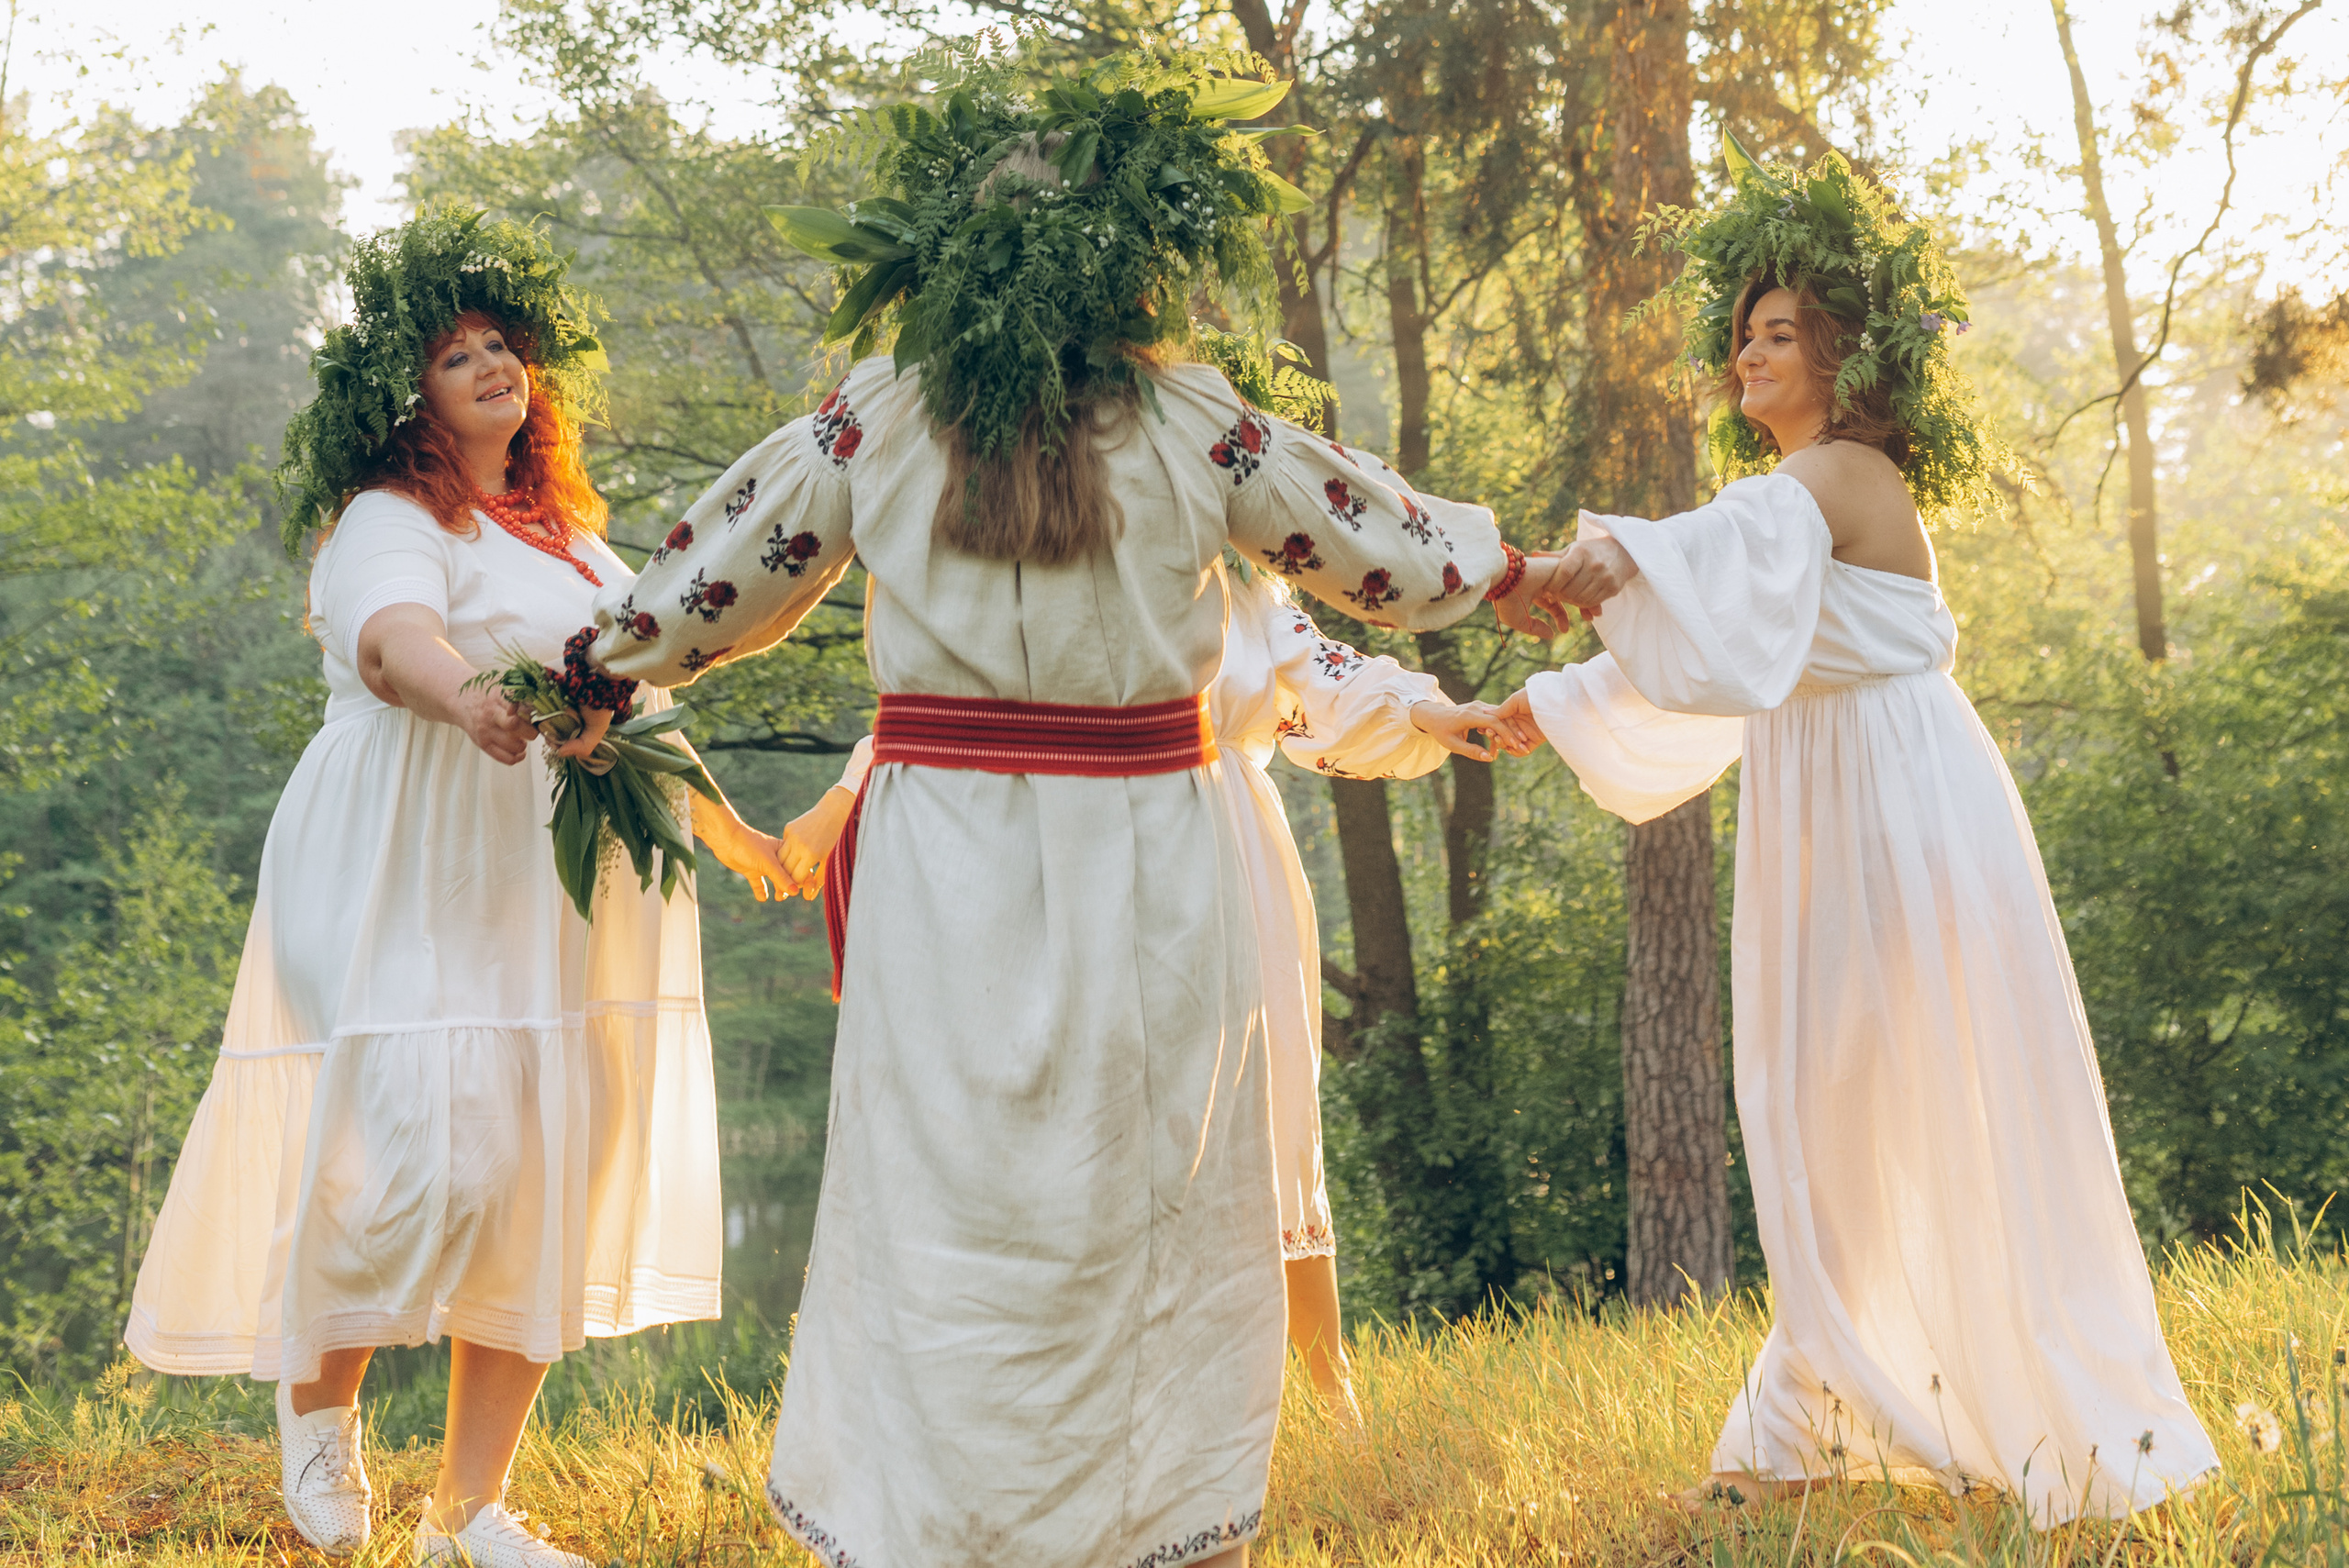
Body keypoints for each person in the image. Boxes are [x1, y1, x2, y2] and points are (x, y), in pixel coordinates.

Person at [576, 60, 1554, 1568]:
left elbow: (716, 581)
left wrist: (585, 665)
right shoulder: (1185, 417)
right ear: (1134, 259)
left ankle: (938, 1524)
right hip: (1139, 852)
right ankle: (1152, 1525)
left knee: (952, 1193)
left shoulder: (879, 415)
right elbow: (1378, 546)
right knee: (1135, 1186)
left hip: (954, 849)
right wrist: (1509, 567)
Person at [1497, 149, 2218, 1524]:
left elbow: (1704, 557)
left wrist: (1579, 565)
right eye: (1742, 333)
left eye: (1778, 334)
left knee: (1886, 1091)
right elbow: (1731, 645)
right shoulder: (1792, 511)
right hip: (1833, 806)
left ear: (1842, 358)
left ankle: (1975, 1407)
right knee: (1828, 1103)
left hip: (1899, 813)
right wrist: (1530, 709)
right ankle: (1814, 1404)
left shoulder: (1837, 474)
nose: (1745, 353)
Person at [125, 209, 791, 1568]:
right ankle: (318, 1411)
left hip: (542, 876)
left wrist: (735, 834)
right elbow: (391, 644)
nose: (492, 364)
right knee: (419, 1145)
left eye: (502, 344)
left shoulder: (577, 546)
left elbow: (642, 682)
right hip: (397, 861)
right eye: (455, 356)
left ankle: (466, 1512)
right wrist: (476, 697)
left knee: (550, 1161)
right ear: (406, 400)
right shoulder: (387, 515)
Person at [779, 484, 1533, 1418]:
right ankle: (1120, 1400)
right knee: (1118, 1114)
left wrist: (1431, 712)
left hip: (1229, 843)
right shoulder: (1065, 552)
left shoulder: (1252, 588)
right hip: (1092, 846)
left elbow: (1323, 674)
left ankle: (1332, 1397)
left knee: (1272, 1108)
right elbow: (969, 696)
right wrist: (848, 790)